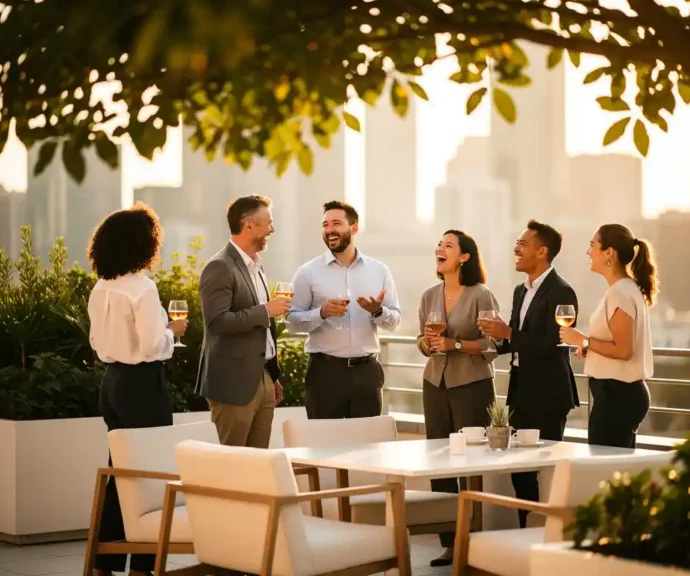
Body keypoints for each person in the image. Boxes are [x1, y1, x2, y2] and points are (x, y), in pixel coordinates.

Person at [87, 202, 188, 576]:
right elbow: (150, 345)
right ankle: (143, 567)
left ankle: (103, 562)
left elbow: (97, 342)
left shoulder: (102, 287)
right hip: (143, 385)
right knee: (152, 476)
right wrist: (172, 334)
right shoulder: (143, 288)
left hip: (112, 383)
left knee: (119, 474)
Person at [478, 219, 580, 528]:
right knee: (519, 468)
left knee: (546, 469)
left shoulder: (562, 292)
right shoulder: (520, 291)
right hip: (520, 391)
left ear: (542, 251)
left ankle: (548, 535)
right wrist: (494, 340)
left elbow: (556, 344)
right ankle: (528, 532)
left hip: (549, 393)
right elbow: (515, 340)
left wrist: (508, 331)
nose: (516, 249)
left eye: (523, 244)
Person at [418, 230, 499, 567]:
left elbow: (493, 345)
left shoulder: (482, 295)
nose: (440, 249)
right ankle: (450, 543)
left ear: (464, 257)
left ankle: (475, 543)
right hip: (434, 385)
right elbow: (421, 342)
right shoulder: (428, 296)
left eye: (448, 245)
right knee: (439, 463)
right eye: (440, 244)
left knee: (471, 464)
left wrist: (455, 345)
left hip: (471, 385)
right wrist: (428, 344)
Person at [286, 200, 401, 419]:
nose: (329, 230)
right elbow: (291, 322)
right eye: (325, 224)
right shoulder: (307, 272)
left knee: (367, 446)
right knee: (323, 444)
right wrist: (322, 312)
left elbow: (395, 320)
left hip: (367, 374)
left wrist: (378, 311)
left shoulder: (379, 271)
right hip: (325, 374)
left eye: (336, 223)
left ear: (354, 228)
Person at [196, 195, 290, 448]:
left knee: (257, 465)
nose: (273, 229)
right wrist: (265, 311)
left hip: (263, 381)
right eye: (268, 223)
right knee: (229, 466)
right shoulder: (219, 267)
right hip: (233, 385)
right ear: (248, 225)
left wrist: (271, 375)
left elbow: (263, 332)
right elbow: (217, 322)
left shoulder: (256, 266)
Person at [559, 224, 656, 449]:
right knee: (617, 471)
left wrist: (582, 340)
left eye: (593, 245)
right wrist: (591, 347)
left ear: (609, 252)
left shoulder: (619, 292)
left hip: (616, 397)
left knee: (606, 472)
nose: (588, 251)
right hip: (620, 395)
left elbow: (623, 350)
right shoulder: (626, 289)